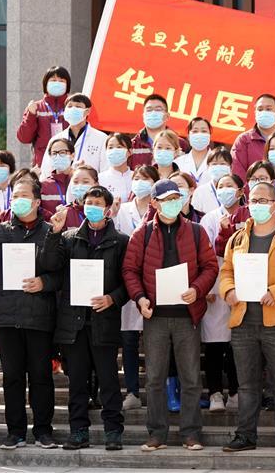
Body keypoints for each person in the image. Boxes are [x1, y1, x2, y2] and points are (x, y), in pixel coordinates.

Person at [121, 179, 219, 452]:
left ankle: (191, 433)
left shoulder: (197, 231)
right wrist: (140, 298)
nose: (173, 203)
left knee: (191, 377)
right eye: (166, 199)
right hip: (155, 316)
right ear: (154, 203)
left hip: (187, 315)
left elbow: (210, 267)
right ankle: (156, 434)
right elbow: (130, 270)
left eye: (176, 198)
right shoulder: (142, 234)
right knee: (154, 378)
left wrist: (197, 289)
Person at [219, 181, 275, 453]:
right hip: (243, 321)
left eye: (262, 201)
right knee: (247, 385)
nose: (256, 205)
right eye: (253, 201)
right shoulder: (238, 238)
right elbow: (226, 272)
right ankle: (245, 435)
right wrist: (229, 291)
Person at [40, 185, 129, 450]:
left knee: (108, 380)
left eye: (98, 204)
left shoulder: (120, 241)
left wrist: (112, 298)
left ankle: (113, 430)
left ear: (108, 209)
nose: (93, 207)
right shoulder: (69, 238)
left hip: (104, 320)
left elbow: (129, 281)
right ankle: (78, 431)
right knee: (77, 381)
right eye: (89, 203)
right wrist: (54, 233)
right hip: (74, 322)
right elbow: (50, 265)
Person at [0, 179, 57, 449]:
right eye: (15, 196)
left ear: (37, 201)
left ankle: (43, 430)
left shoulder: (49, 231)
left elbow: (59, 270)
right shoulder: (1, 230)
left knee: (41, 376)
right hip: (8, 316)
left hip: (39, 315)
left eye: (24, 195)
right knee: (12, 377)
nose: (18, 200)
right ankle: (15, 432)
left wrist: (44, 282)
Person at [113, 165, 159, 411]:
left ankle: (156, 390)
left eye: (146, 179)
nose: (140, 182)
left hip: (153, 280)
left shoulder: (159, 210)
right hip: (127, 278)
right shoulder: (122, 209)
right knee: (129, 339)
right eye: (137, 178)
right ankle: (132, 391)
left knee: (154, 340)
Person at [198, 172, 244, 413]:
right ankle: (215, 392)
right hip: (215, 285)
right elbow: (204, 253)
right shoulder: (210, 218)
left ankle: (235, 392)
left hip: (242, 283)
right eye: (221, 186)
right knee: (214, 343)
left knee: (237, 343)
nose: (224, 189)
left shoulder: (248, 216)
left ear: (240, 191)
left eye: (229, 185)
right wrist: (205, 285)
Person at [39, 93, 109, 180]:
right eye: (70, 106)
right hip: (60, 186)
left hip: (89, 185)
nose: (73, 109)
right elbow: (46, 170)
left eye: (78, 106)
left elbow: (105, 170)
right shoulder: (56, 139)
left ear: (87, 111)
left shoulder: (101, 138)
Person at [230, 94, 275, 181]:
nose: (264, 112)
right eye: (260, 109)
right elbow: (237, 172)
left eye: (268, 109)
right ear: (255, 113)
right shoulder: (244, 140)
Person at [16, 65, 71, 166]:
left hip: (69, 162)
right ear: (46, 84)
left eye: (61, 81)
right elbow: (24, 138)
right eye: (53, 80)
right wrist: (31, 115)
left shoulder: (73, 107)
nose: (57, 83)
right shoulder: (36, 107)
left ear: (67, 85)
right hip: (43, 164)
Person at [128, 94, 189, 169]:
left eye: (158, 110)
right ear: (143, 116)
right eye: (149, 110)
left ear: (167, 116)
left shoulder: (181, 144)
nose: (153, 113)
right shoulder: (133, 145)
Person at [191, 147, 234, 214]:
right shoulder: (200, 192)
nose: (218, 167)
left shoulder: (236, 190)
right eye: (214, 164)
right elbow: (195, 216)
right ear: (208, 167)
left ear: (230, 167)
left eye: (222, 164)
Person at [175, 117, 215, 186]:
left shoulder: (219, 162)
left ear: (210, 136)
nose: (199, 134)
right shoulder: (178, 162)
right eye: (195, 131)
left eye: (204, 131)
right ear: (188, 137)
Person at [39, 139, 74, 216]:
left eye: (62, 152)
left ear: (72, 156)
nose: (58, 156)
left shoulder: (80, 182)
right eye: (54, 153)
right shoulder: (44, 185)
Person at [99, 134, 133, 203]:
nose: (114, 150)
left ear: (129, 152)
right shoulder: (99, 179)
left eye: (119, 147)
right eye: (110, 147)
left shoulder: (136, 177)